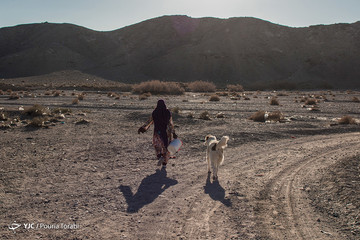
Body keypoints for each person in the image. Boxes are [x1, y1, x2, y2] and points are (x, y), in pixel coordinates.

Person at [138, 100, 177, 166]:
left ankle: (160, 156)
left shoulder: (155, 112)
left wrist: (143, 128)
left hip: (157, 131)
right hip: (166, 132)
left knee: (157, 145)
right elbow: (170, 123)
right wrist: (173, 132)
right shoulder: (168, 112)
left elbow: (149, 121)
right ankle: (165, 162)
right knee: (166, 146)